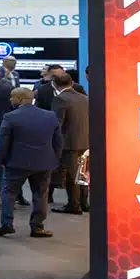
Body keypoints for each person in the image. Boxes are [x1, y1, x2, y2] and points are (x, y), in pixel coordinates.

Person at [0, 86, 61, 238]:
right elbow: (58, 142)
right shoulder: (50, 116)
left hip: (16, 163)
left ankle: (7, 224)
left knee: (9, 193)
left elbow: (3, 142)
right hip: (44, 162)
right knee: (40, 194)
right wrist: (54, 158)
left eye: (12, 97)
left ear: (18, 99)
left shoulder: (10, 117)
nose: (10, 100)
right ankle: (37, 227)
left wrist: (0, 160)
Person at [52, 70, 90, 214]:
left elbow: (57, 123)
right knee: (83, 175)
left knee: (71, 175)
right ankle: (84, 203)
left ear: (54, 84)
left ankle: (74, 205)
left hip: (69, 143)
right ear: (72, 82)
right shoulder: (84, 98)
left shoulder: (60, 99)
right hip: (85, 140)